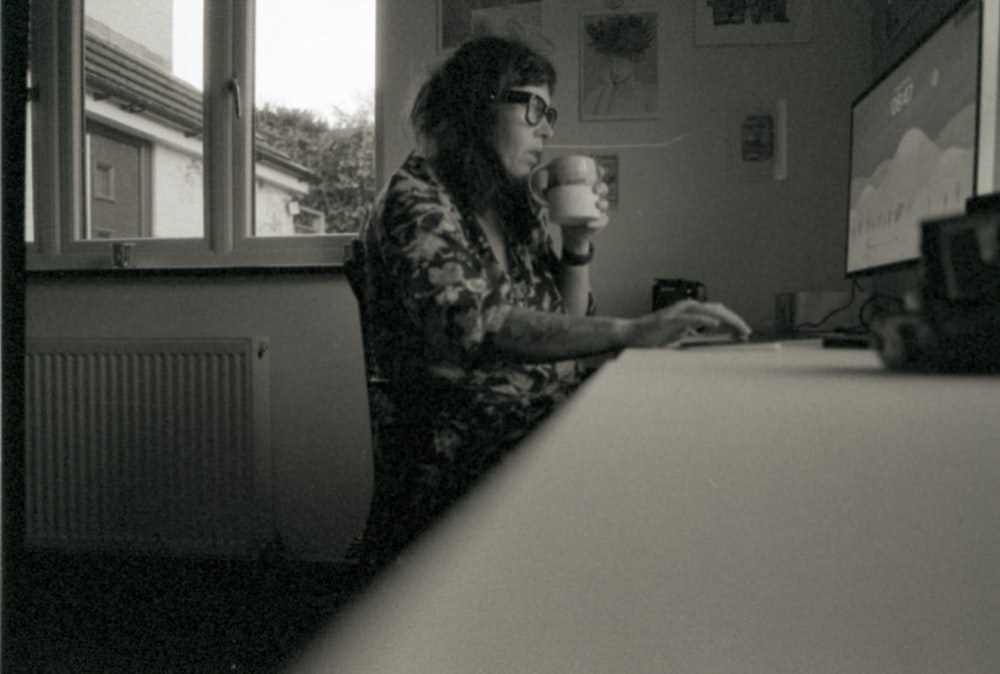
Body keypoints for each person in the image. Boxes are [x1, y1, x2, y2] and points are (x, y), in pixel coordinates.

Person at [356, 35, 750, 570]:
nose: (547, 126)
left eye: (551, 111)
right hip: (465, 446)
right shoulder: (416, 200)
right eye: (533, 107)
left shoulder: (516, 204)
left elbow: (565, 325)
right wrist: (628, 332)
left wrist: (578, 244)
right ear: (477, 105)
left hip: (540, 421)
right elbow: (475, 328)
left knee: (693, 426)